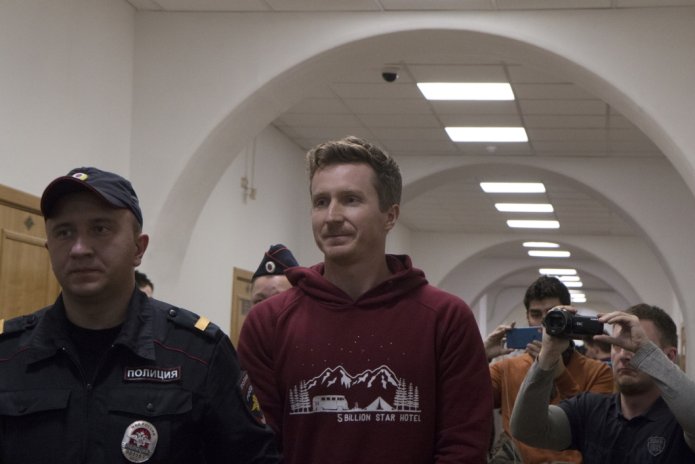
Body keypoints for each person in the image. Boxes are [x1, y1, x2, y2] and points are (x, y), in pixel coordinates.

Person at [238, 136, 493, 463]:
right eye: (321, 202)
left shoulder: (445, 318)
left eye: (351, 200)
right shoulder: (268, 322)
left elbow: (464, 446)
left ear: (390, 216)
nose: (332, 216)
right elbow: (256, 446)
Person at [0, 167, 280, 463]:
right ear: (49, 247)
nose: (79, 249)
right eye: (64, 232)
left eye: (100, 229)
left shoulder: (197, 354)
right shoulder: (8, 354)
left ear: (138, 248)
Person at [511, 304, 695, 463]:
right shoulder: (590, 409)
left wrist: (647, 354)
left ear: (669, 356)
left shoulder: (678, 420)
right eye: (617, 345)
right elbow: (526, 429)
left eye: (635, 347)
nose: (624, 355)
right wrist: (548, 354)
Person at [485, 275, 613, 464]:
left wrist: (556, 369)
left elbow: (595, 427)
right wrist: (480, 355)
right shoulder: (506, 369)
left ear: (570, 316)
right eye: (536, 314)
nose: (544, 323)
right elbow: (464, 402)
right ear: (527, 318)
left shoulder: (599, 372)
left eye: (552, 314)